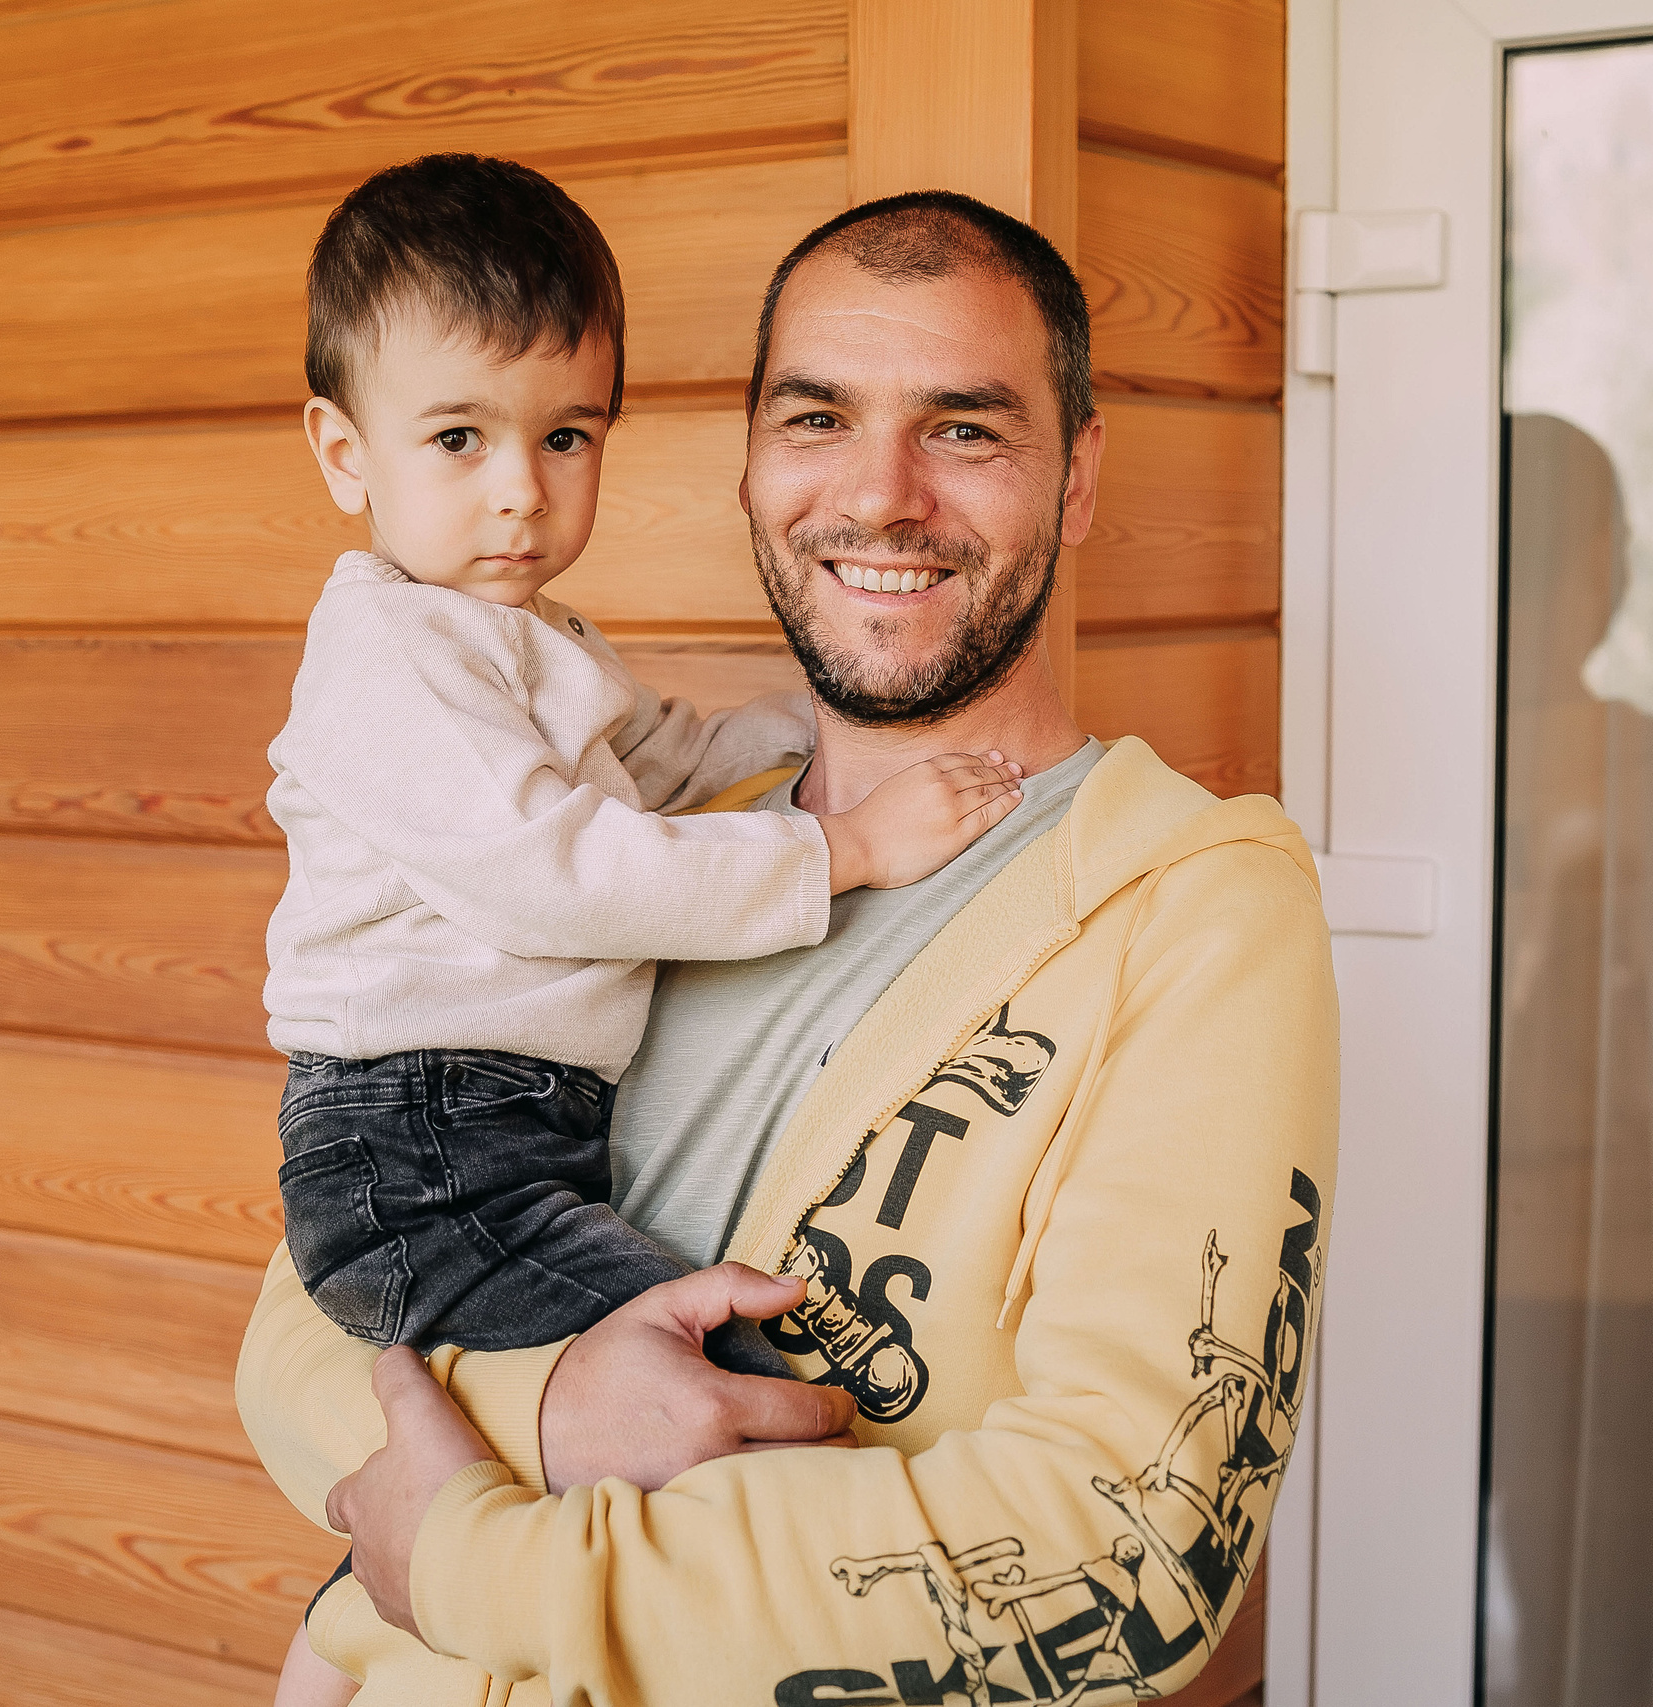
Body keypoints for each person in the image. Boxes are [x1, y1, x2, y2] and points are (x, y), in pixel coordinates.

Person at [237, 187, 1341, 1707]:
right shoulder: (650, 846)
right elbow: (297, 1339)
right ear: (752, 465)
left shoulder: (1191, 910)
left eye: (965, 428)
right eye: (818, 418)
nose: (882, 496)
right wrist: (553, 1409)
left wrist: (470, 1554)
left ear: (1077, 477)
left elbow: (1133, 1560)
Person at [260, 156, 1025, 1705]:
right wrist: (844, 845)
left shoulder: (518, 635)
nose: (521, 490)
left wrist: (799, 729)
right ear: (345, 453)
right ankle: (354, 1639)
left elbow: (652, 757)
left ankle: (350, 1634)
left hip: (500, 1128)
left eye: (566, 436)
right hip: (418, 1142)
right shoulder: (385, 662)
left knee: (540, 1432)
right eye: (460, 439)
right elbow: (560, 870)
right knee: (707, 1395)